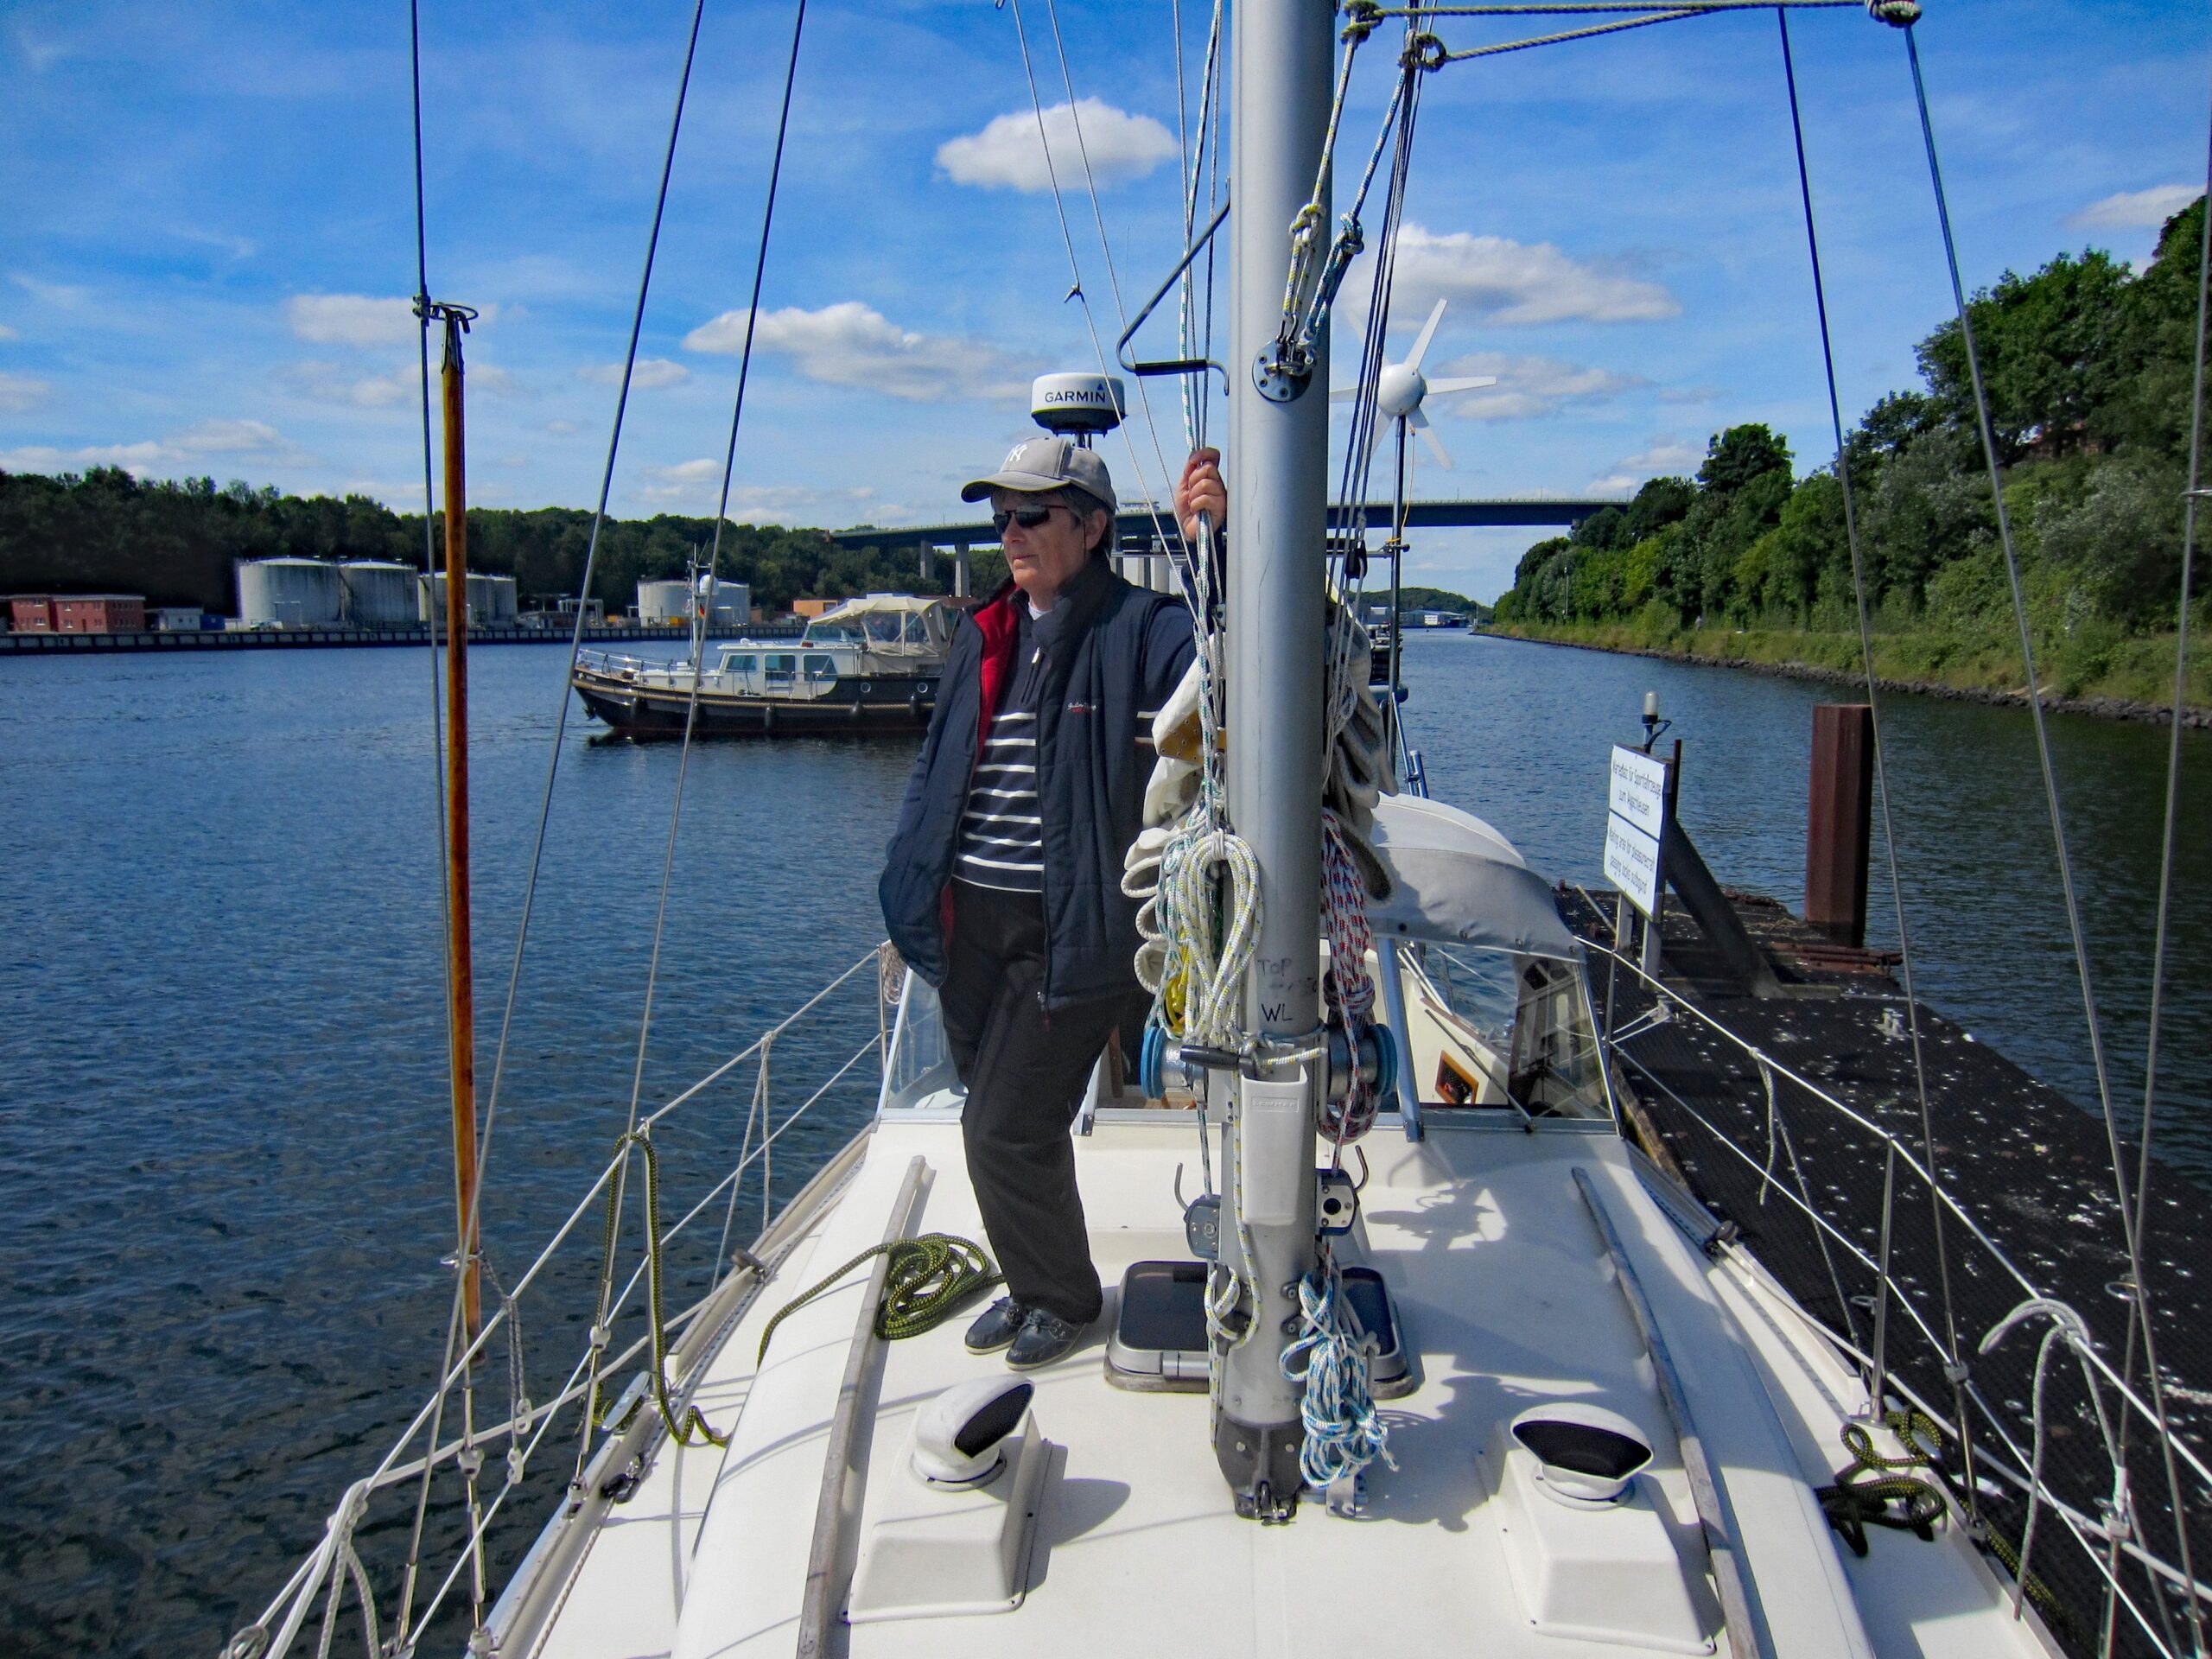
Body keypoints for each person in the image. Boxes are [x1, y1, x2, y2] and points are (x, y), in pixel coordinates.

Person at [878, 440, 1223, 1369]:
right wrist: (906, 877)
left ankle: (1063, 1298)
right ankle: (1034, 1283)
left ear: (1093, 526)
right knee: (999, 1118)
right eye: (1002, 517)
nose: (1011, 532)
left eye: (1032, 514)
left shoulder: (1143, 629)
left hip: (1069, 930)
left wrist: (1217, 550)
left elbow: (1232, 671)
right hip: (968, 923)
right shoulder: (985, 628)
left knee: (1003, 1127)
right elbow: (937, 767)